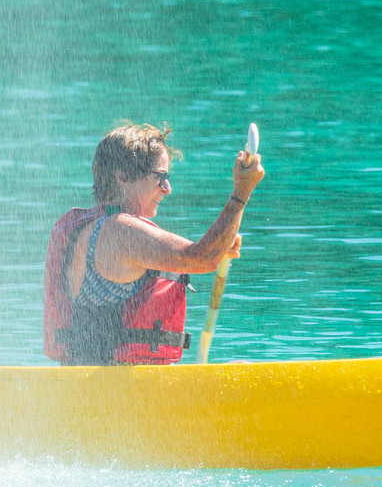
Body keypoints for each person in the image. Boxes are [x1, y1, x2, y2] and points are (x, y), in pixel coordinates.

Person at [44, 121, 264, 366]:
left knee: (238, 369)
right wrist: (242, 191)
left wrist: (221, 241)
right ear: (123, 177)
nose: (167, 188)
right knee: (242, 372)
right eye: (161, 177)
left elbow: (205, 252)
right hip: (118, 392)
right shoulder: (118, 231)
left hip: (97, 383)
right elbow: (203, 258)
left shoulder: (95, 227)